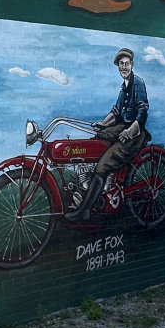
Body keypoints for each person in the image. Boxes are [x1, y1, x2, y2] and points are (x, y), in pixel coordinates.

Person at [64, 47, 149, 222]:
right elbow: (116, 112)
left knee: (102, 166)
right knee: (95, 141)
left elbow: (142, 112)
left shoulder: (138, 84)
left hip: (135, 132)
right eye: (121, 64)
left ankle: (85, 210)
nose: (124, 67)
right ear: (118, 67)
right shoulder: (123, 88)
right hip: (121, 126)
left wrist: (129, 131)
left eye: (126, 63)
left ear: (132, 65)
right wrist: (102, 124)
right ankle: (90, 188)